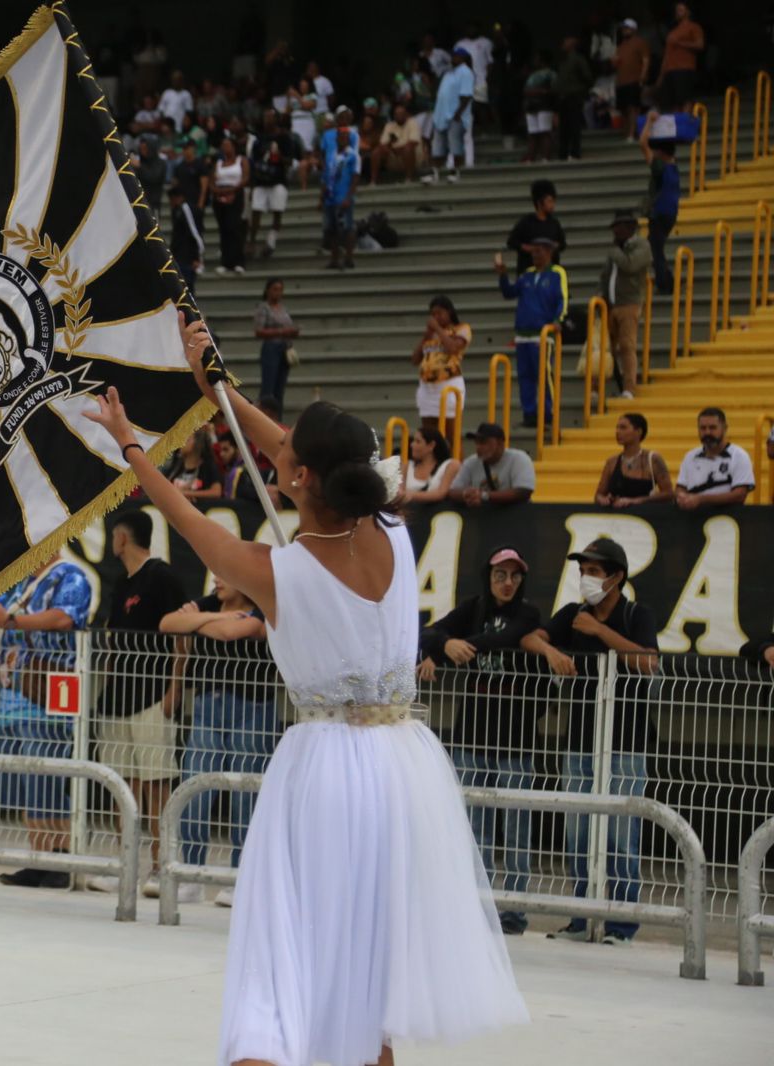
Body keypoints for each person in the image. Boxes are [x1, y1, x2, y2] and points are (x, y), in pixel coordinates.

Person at [82, 314, 525, 1066]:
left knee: (284, 952)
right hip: (400, 766)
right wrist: (215, 385)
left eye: (288, 457)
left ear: (301, 479)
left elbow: (187, 517)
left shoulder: (278, 570)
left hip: (325, 769)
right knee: (366, 964)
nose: (277, 453)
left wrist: (130, 443)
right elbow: (288, 450)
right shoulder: (393, 530)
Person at [521, 538, 658, 945]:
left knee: (620, 835)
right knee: (578, 831)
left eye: (594, 571)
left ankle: (620, 924)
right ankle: (582, 918)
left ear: (616, 577)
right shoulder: (572, 614)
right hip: (579, 738)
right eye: (583, 570)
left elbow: (649, 661)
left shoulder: (636, 614)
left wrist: (600, 632)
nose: (586, 577)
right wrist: (551, 652)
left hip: (626, 740)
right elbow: (531, 637)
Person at [418, 546, 543, 936]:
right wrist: (441, 647)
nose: (507, 583)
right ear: (488, 578)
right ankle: (474, 906)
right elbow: (427, 631)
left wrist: (452, 648)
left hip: (516, 741)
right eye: (500, 576)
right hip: (472, 737)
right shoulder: (472, 607)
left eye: (514, 576)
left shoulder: (529, 614)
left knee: (517, 830)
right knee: (474, 828)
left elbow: (501, 640)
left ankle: (513, 912)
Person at [0, 551, 91, 890]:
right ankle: (38, 855)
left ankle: (60, 855)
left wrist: (8, 621)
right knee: (25, 779)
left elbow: (64, 619)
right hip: (15, 692)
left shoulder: (70, 576)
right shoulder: (21, 580)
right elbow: (2, 616)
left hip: (52, 689)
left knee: (49, 774)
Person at [86, 511, 188, 896]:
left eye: (114, 535)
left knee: (156, 785)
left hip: (152, 697)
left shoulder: (163, 576)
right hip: (117, 698)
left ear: (122, 538)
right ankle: (125, 862)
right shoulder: (119, 581)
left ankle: (164, 867)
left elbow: (183, 637)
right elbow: (113, 637)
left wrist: (174, 691)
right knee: (121, 786)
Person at [159, 575, 271, 907]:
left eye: (225, 575)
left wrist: (197, 623)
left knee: (245, 794)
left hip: (252, 706)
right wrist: (218, 617)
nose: (217, 581)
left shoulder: (264, 606)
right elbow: (168, 623)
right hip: (208, 704)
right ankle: (191, 874)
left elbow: (236, 632)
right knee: (195, 787)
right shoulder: (212, 605)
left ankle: (240, 877)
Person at [496, 237, 568, 426]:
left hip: (542, 333)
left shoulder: (557, 273)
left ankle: (548, 413)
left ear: (549, 252)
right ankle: (529, 414)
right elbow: (509, 293)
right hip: (522, 334)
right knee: (525, 376)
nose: (535, 255)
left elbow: (563, 298)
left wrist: (557, 320)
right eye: (534, 251)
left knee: (544, 375)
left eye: (540, 251)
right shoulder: (526, 275)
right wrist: (503, 275)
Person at [601, 210, 651, 399]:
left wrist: (615, 251)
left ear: (630, 228)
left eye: (618, 228)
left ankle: (629, 387)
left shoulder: (641, 245)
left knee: (627, 346)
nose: (615, 232)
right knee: (606, 348)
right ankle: (606, 386)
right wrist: (601, 294)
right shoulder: (616, 249)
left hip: (629, 303)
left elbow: (630, 266)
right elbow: (606, 275)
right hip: (610, 304)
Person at [411, 295, 471, 432]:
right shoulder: (430, 335)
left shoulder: (461, 328)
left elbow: (453, 349)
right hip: (427, 387)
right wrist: (426, 336)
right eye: (433, 314)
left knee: (451, 434)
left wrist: (438, 329)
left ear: (449, 312)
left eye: (439, 313)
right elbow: (415, 359)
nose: (436, 317)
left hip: (448, 384)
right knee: (430, 435)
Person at [675, 407, 755, 510]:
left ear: (725, 428)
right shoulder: (690, 457)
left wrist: (700, 499)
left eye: (712, 428)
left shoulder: (739, 456)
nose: (707, 432)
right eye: (703, 428)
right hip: (693, 519)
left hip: (727, 519)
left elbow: (739, 495)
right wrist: (681, 497)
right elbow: (680, 487)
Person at [595, 412, 673, 507]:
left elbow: (669, 494)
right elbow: (598, 495)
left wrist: (637, 501)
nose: (617, 431)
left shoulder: (653, 459)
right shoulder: (611, 462)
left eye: (623, 428)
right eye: (617, 427)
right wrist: (603, 499)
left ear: (639, 431)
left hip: (645, 516)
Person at [450, 423, 536, 508]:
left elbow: (523, 491)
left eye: (483, 442)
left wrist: (484, 496)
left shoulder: (519, 458)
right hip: (483, 516)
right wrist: (466, 494)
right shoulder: (470, 462)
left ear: (500, 443)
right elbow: (452, 491)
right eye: (476, 442)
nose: (478, 447)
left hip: (517, 516)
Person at [640, 129, 680, 295]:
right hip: (670, 213)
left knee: (655, 249)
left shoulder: (660, 166)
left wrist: (649, 121)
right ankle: (666, 280)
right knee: (655, 246)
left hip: (659, 213)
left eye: (656, 150)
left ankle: (665, 283)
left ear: (661, 152)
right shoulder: (673, 166)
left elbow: (642, 143)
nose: (653, 152)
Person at [247, 115, 294, 258]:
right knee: (255, 211)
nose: (268, 120)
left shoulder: (284, 138)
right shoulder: (259, 139)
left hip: (278, 181)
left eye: (271, 118)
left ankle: (271, 242)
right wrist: (252, 184)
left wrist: (279, 156)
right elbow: (253, 163)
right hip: (261, 181)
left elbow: (290, 161)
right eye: (266, 118)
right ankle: (252, 242)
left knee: (277, 212)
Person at [428, 49, 474, 182]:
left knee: (456, 146)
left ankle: (457, 172)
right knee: (437, 147)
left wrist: (458, 114)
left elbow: (466, 96)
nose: (453, 58)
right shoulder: (448, 72)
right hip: (440, 116)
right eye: (452, 56)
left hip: (455, 116)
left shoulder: (466, 72)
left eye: (456, 56)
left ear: (463, 58)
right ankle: (435, 173)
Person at [505, 179, 566, 276]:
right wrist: (530, 249)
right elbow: (511, 242)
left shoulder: (554, 223)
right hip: (529, 274)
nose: (552, 205)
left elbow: (562, 244)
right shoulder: (526, 222)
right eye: (549, 201)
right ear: (539, 203)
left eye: (553, 201)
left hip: (549, 275)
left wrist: (551, 248)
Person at [254, 277, 297, 407]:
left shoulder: (283, 308)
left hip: (285, 347)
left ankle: (277, 418)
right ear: (268, 290)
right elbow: (258, 331)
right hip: (271, 347)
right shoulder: (263, 308)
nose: (278, 293)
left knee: (280, 388)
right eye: (275, 289)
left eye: (280, 290)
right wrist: (281, 332)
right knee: (268, 387)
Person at [320, 124, 358, 271]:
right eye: (340, 137)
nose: (342, 140)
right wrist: (321, 197)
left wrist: (349, 197)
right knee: (332, 229)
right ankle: (334, 258)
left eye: (345, 137)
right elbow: (326, 176)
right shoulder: (331, 155)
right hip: (330, 196)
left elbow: (355, 178)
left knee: (346, 228)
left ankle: (348, 257)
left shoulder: (353, 155)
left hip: (343, 196)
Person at [554, 36, 595, 160]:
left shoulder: (578, 59)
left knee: (574, 125)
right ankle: (563, 153)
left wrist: (579, 88)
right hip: (563, 97)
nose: (563, 44)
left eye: (566, 42)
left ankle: (575, 152)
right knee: (564, 127)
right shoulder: (563, 61)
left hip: (574, 96)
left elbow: (587, 76)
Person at [211, 137, 247, 274]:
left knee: (234, 227)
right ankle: (226, 262)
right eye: (223, 145)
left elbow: (245, 178)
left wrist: (232, 192)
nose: (225, 148)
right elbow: (212, 181)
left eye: (228, 145)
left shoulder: (241, 161)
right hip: (220, 196)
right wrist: (220, 193)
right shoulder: (219, 163)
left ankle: (239, 261)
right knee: (224, 229)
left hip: (235, 195)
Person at [660, 2, 704, 106]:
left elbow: (700, 45)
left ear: (688, 12)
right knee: (672, 101)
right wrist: (661, 75)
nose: (677, 13)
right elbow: (667, 55)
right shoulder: (673, 31)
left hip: (685, 68)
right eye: (677, 11)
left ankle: (686, 120)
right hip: (670, 70)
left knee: (685, 98)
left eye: (680, 10)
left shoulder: (694, 27)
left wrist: (679, 43)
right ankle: (677, 121)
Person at [614, 19, 651, 141]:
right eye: (623, 28)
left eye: (627, 28)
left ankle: (632, 134)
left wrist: (642, 77)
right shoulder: (621, 46)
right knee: (623, 109)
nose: (625, 30)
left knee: (633, 108)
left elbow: (646, 60)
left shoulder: (640, 42)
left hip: (634, 80)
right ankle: (626, 133)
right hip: (621, 82)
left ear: (634, 29)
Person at [405, 425, 460, 504]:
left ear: (431, 445)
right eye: (413, 441)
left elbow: (441, 493)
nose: (412, 445)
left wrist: (409, 495)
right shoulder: (407, 466)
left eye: (418, 441)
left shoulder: (450, 465)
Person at [162, 428, 223, 497]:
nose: (181, 443)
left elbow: (216, 492)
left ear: (197, 443)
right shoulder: (176, 465)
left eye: (187, 439)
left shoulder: (208, 466)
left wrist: (186, 494)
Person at [165, 185, 204, 294]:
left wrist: (197, 257)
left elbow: (194, 233)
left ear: (178, 198)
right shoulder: (177, 211)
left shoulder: (186, 209)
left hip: (188, 256)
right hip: (179, 255)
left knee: (188, 287)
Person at [370, 102, 422, 183]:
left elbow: (413, 142)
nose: (399, 116)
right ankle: (373, 181)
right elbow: (383, 143)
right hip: (393, 155)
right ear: (394, 116)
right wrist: (390, 150)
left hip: (411, 156)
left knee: (407, 149)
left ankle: (409, 178)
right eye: (397, 114)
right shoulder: (389, 125)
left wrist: (397, 149)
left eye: (401, 113)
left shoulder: (413, 123)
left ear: (406, 114)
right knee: (376, 151)